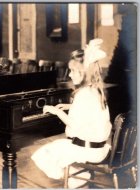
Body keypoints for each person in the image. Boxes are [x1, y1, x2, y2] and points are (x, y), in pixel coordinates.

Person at [31, 39, 112, 188]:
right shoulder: (95, 89)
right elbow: (91, 111)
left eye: (73, 71)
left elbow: (73, 126)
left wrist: (55, 111)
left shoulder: (82, 94)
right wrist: (69, 105)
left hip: (88, 150)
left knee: (42, 155)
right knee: (59, 147)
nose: (69, 75)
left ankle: (77, 177)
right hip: (101, 148)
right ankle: (79, 176)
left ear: (84, 73)